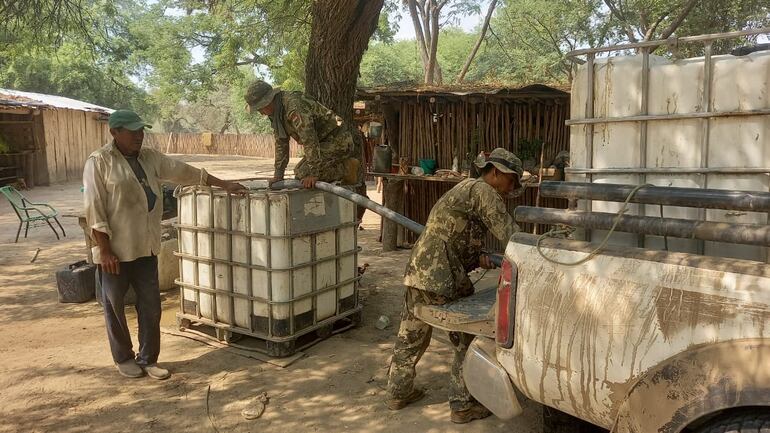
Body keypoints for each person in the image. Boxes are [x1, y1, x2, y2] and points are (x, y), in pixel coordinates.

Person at [83, 109, 246, 380]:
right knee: (115, 307)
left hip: (146, 247)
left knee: (151, 306)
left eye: (141, 130)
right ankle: (123, 358)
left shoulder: (150, 158)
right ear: (114, 132)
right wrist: (105, 249)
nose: (139, 136)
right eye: (132, 131)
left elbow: (184, 172)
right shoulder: (99, 162)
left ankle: (148, 359)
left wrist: (222, 184)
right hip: (116, 251)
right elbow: (94, 209)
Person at [385, 147, 522, 424]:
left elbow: (454, 234)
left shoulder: (466, 189)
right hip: (443, 276)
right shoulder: (484, 191)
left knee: (411, 334)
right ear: (496, 172)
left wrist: (477, 255)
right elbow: (510, 236)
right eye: (512, 181)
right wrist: (539, 250)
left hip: (420, 270)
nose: (513, 188)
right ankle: (462, 404)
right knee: (468, 337)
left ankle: (398, 392)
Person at [244, 80, 361, 189]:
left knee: (303, 173)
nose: (260, 113)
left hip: (338, 140)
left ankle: (346, 168)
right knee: (299, 171)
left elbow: (309, 139)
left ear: (269, 101)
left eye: (260, 108)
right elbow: (281, 143)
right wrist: (278, 175)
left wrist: (314, 173)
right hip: (322, 145)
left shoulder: (294, 106)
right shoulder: (276, 114)